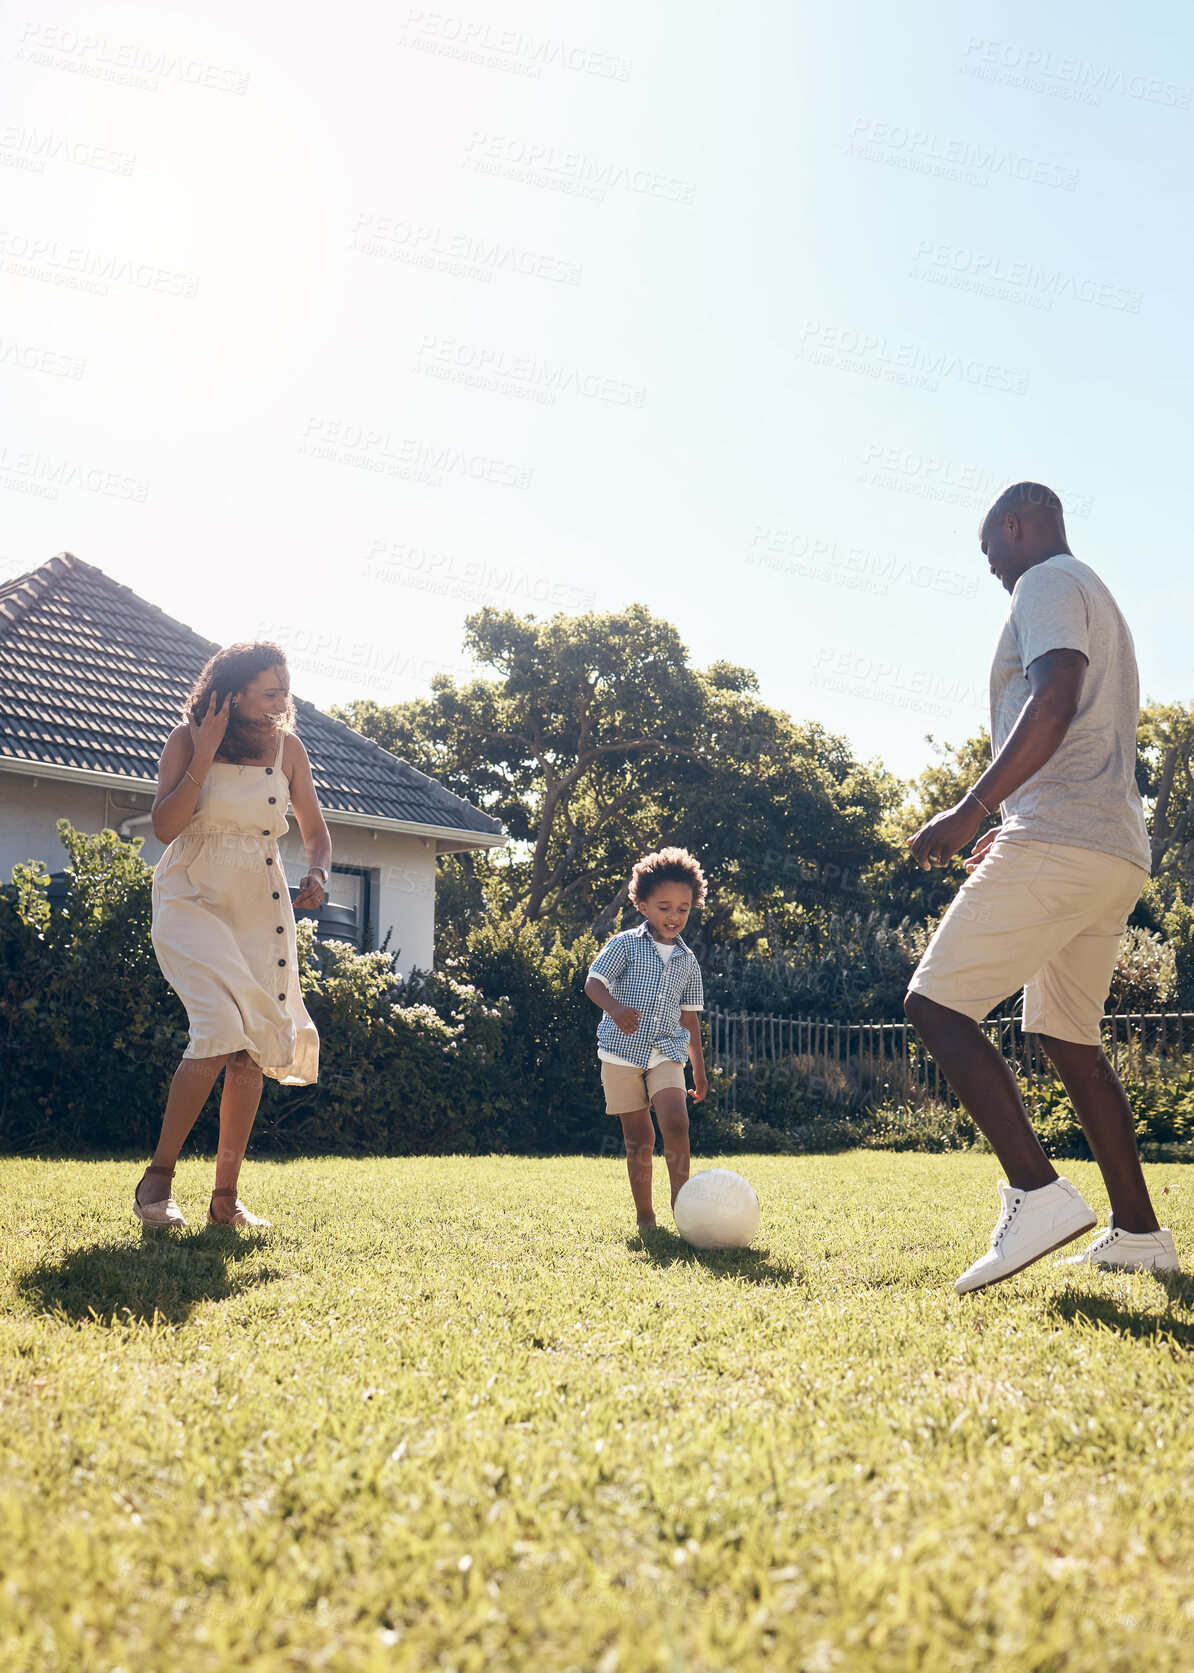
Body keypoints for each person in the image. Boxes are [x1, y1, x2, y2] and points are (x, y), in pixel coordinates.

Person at [904, 482, 1178, 1294]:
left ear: (1016, 526)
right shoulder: (1096, 592)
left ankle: (1037, 1189)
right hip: (1110, 849)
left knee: (934, 1004)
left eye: (990, 548)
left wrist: (971, 806)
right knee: (1069, 1040)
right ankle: (1139, 1231)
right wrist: (1010, 809)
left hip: (1060, 840)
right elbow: (1080, 722)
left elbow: (1056, 698)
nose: (990, 567)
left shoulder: (1045, 582)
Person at [133, 643, 330, 1228]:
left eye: (285, 689)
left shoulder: (289, 749)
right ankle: (158, 1179)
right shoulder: (187, 738)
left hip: (259, 903)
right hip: (191, 894)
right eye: (270, 690)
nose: (281, 700)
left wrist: (316, 871)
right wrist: (206, 750)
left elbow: (316, 831)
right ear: (234, 691)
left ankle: (225, 1198)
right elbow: (167, 828)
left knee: (250, 1046)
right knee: (218, 1030)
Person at [585, 847, 709, 1232]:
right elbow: (593, 984)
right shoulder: (624, 944)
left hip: (665, 1051)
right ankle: (645, 1215)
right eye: (664, 907)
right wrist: (616, 1008)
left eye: (683, 909)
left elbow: (689, 1019)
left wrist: (700, 1073)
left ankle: (682, 1204)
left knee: (675, 1119)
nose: (674, 917)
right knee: (639, 1135)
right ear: (642, 904)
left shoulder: (688, 961)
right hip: (620, 1053)